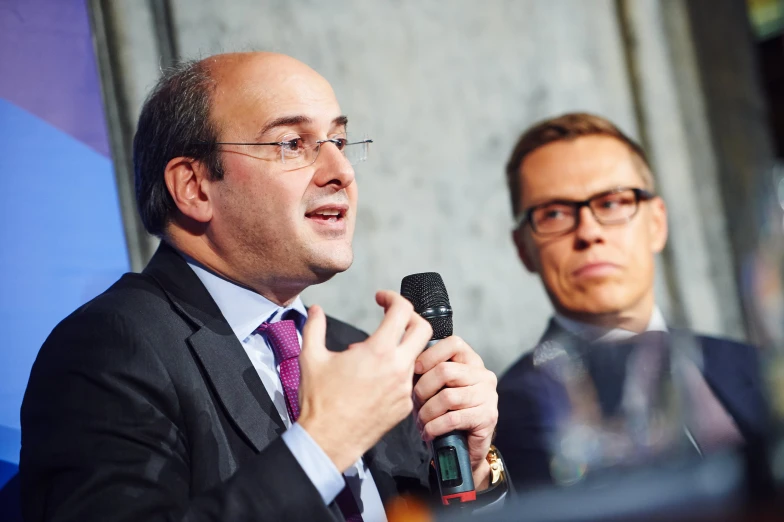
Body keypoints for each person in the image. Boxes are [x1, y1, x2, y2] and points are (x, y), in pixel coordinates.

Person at [20, 52, 504, 521]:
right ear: (194, 186)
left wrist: (476, 472)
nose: (342, 172)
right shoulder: (108, 351)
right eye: (292, 143)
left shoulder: (356, 353)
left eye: (339, 140)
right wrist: (325, 443)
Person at [495, 112, 769, 488]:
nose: (588, 232)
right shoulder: (497, 424)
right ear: (523, 249)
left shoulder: (758, 369)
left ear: (656, 223)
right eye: (554, 213)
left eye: (611, 203)